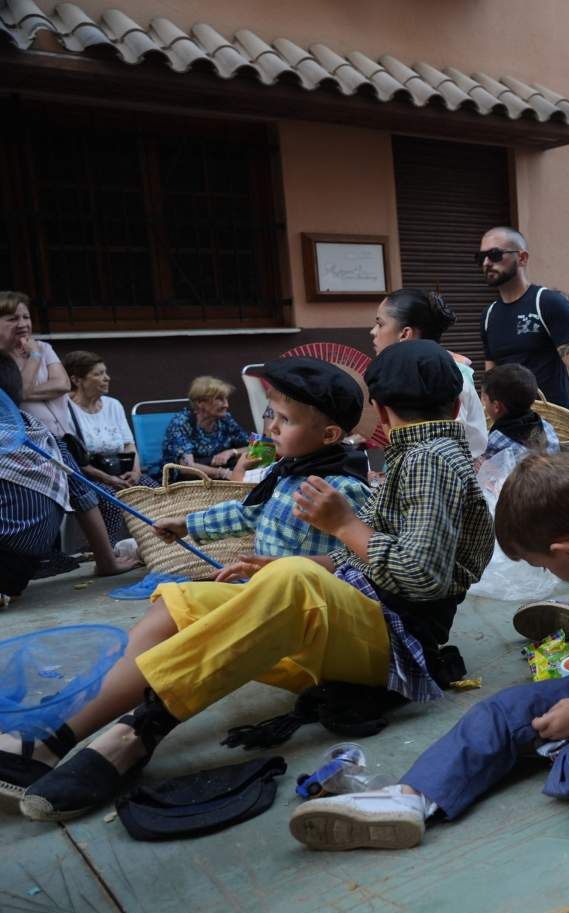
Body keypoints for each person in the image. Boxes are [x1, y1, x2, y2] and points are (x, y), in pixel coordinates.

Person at [4, 341, 494, 820]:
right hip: (363, 624)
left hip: (397, 651)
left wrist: (344, 525)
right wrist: (291, 564)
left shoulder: (429, 459)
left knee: (293, 578)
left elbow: (418, 576)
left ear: (380, 411)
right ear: (454, 404)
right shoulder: (419, 457)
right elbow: (375, 564)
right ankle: (55, 739)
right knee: (182, 598)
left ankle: (139, 731)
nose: (274, 426)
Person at [288, 453, 569, 848]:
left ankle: (567, 744)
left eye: (544, 565)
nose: (546, 570)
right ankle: (411, 799)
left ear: (566, 550)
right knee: (499, 710)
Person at [150, 358, 373, 577]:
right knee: (169, 601)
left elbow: (364, 557)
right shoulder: (283, 472)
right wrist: (187, 525)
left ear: (328, 435)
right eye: (271, 414)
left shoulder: (341, 488)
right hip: (265, 588)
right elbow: (249, 513)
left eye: (285, 419)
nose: (272, 427)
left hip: (306, 602)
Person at [0, 357, 135, 610]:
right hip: (20, 569)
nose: (106, 379)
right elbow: (83, 493)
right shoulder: (43, 434)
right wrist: (108, 562)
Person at [478, 226, 569, 421]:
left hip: (552, 427)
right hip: (507, 430)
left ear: (522, 258)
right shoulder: (489, 315)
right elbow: (491, 376)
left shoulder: (549, 303)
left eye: (495, 255)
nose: (487, 262)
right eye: (481, 257)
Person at [369, 287, 487, 458]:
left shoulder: (444, 376)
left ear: (405, 333)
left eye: (380, 324)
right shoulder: (409, 372)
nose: (373, 331)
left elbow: (444, 451)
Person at [61, 350, 157, 544]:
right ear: (77, 380)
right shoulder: (66, 409)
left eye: (105, 373)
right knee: (111, 500)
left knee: (154, 491)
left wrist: (136, 472)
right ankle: (110, 550)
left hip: (122, 473)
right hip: (90, 476)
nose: (106, 378)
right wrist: (109, 479)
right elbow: (76, 459)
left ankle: (153, 543)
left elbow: (129, 444)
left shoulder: (113, 405)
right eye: (98, 374)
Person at [0, 292, 71, 440]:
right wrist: (34, 356)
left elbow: (63, 385)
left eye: (26, 317)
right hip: (28, 445)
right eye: (13, 319)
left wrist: (22, 394)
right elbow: (19, 393)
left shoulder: (43, 347)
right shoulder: (34, 352)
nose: (23, 324)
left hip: (63, 436)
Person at [161, 376, 251, 481]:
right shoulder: (182, 423)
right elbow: (186, 467)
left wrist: (232, 451)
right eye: (219, 399)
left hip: (220, 476)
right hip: (188, 483)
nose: (226, 405)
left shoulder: (225, 419)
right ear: (200, 403)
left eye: (226, 399)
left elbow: (253, 447)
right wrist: (224, 473)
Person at [478, 363, 559, 468]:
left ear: (496, 406)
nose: (484, 403)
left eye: (485, 399)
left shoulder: (495, 441)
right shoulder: (547, 428)